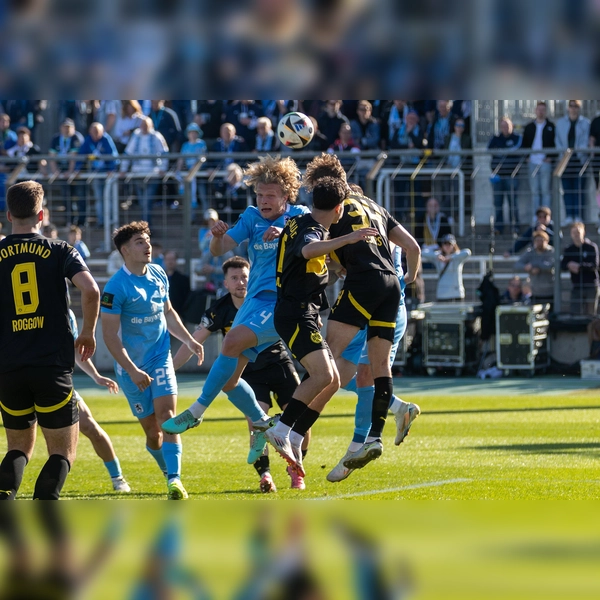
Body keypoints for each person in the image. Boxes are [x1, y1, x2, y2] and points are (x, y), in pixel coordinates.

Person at [162, 155, 310, 439]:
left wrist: (286, 234)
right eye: (259, 194)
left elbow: (314, 241)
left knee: (229, 342)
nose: (264, 200)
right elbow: (220, 249)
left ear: (286, 195)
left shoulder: (299, 216)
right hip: (253, 302)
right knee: (230, 381)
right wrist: (217, 237)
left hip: (279, 301)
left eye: (270, 195)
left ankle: (195, 412)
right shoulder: (252, 217)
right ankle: (262, 420)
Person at [293, 153, 421, 473]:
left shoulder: (334, 211)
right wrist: (409, 280)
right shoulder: (373, 206)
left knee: (329, 358)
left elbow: (328, 257)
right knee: (369, 371)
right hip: (394, 291)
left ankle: (290, 428)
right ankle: (372, 438)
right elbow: (414, 248)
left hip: (365, 287)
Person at [265, 176, 378, 477]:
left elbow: (308, 256)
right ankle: (282, 428)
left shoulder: (300, 219)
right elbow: (306, 250)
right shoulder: (312, 230)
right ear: (339, 209)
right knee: (326, 375)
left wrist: (337, 265)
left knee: (332, 378)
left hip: (304, 312)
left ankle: (295, 434)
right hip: (295, 313)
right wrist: (347, 239)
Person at [0, 180, 100, 500]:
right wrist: (87, 332)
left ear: (8, 214)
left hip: (9, 365)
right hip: (51, 363)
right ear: (41, 215)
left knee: (18, 448)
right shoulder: (59, 250)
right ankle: (47, 512)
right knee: (61, 452)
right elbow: (91, 290)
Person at [172, 256, 307, 492]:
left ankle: (296, 471)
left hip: (279, 363)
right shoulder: (219, 310)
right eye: (234, 278)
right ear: (225, 283)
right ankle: (265, 475)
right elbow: (194, 341)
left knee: (300, 421)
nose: (241, 282)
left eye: (244, 276)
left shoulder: (266, 301)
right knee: (256, 423)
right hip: (249, 371)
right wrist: (171, 369)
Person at [100, 221, 204, 499]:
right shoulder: (115, 288)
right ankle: (166, 469)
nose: (147, 245)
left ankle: (175, 479)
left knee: (167, 418)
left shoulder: (158, 273)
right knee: (152, 433)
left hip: (160, 358)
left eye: (147, 239)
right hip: (130, 368)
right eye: (139, 242)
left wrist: (189, 339)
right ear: (124, 250)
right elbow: (109, 336)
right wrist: (132, 370)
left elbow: (168, 312)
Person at [68, 308, 131, 493]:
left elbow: (75, 349)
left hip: (56, 385)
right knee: (20, 443)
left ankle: (117, 478)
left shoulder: (67, 313)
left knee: (91, 428)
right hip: (20, 385)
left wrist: (96, 376)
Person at [119, 116, 169, 225]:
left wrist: (162, 168)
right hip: (138, 174)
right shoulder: (136, 137)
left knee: (147, 201)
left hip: (152, 173)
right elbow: (128, 153)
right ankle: (145, 225)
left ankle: (145, 225)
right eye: (142, 125)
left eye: (146, 125)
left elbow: (164, 153)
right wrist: (123, 169)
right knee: (142, 202)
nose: (144, 127)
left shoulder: (156, 136)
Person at [75, 122, 119, 228]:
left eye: (97, 132)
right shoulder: (88, 140)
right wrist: (77, 169)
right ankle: (101, 221)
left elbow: (113, 156)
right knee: (99, 197)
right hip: (95, 174)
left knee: (109, 198)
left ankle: (112, 222)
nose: (95, 134)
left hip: (107, 173)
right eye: (93, 132)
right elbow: (81, 155)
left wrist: (111, 169)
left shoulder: (106, 139)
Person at [555, 100, 591, 223]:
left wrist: (577, 151)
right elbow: (558, 140)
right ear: (568, 108)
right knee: (567, 189)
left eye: (576, 106)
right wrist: (564, 153)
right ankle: (569, 215)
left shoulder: (585, 123)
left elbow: (585, 140)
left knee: (579, 189)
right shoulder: (560, 123)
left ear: (579, 108)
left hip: (579, 159)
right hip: (564, 160)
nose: (573, 108)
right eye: (571, 106)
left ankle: (578, 215)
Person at [488, 117, 523, 234]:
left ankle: (515, 227)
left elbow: (515, 149)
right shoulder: (496, 138)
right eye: (503, 126)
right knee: (498, 203)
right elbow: (489, 150)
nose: (505, 128)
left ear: (512, 126)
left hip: (511, 176)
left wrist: (501, 152)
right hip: (497, 177)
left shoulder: (517, 138)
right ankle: (498, 228)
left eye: (507, 126)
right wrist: (505, 152)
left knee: (513, 203)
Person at [521, 101, 555, 214]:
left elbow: (555, 143)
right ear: (535, 111)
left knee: (545, 191)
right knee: (535, 192)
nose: (540, 112)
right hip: (532, 162)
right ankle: (536, 218)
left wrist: (550, 157)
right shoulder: (529, 127)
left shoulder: (551, 126)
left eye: (543, 110)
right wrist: (527, 157)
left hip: (545, 163)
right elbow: (524, 143)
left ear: (546, 111)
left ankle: (546, 217)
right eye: (539, 109)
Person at [560, 221, 600, 315]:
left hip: (591, 285)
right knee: (575, 314)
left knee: (591, 315)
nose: (576, 235)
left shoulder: (591, 247)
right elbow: (562, 265)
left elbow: (595, 265)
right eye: (574, 233)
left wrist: (579, 267)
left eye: (578, 232)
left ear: (583, 232)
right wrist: (569, 265)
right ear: (571, 234)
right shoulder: (569, 249)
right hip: (576, 285)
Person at [421, 233, 471, 301]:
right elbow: (422, 252)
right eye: (445, 244)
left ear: (453, 245)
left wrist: (450, 257)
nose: (447, 246)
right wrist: (437, 256)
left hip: (456, 294)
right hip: (442, 294)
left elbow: (468, 252)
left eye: (449, 244)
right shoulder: (438, 257)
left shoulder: (457, 258)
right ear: (442, 245)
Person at [515, 230, 555, 308]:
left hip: (550, 291)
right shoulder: (530, 253)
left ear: (547, 241)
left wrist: (534, 265)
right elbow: (517, 264)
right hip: (535, 292)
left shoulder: (551, 251)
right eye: (537, 240)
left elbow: (550, 265)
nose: (539, 242)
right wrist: (527, 268)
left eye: (542, 240)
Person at [163, 249, 190, 316]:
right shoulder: (159, 278)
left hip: (178, 313)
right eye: (168, 259)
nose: (170, 262)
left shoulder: (183, 279)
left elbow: (187, 299)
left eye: (172, 259)